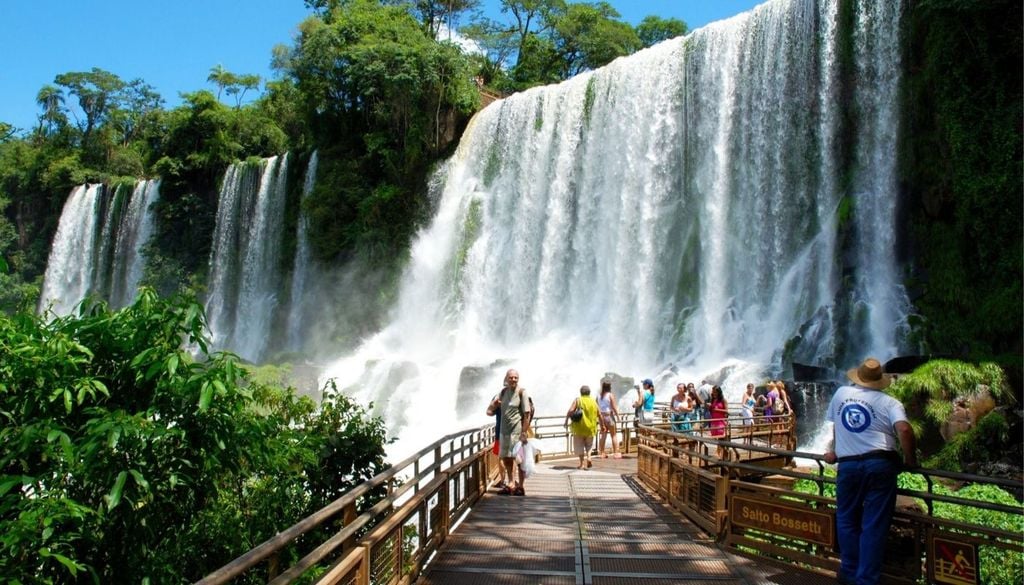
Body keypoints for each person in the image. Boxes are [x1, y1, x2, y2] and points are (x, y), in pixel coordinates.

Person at [823, 358, 917, 585]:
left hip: (848, 466)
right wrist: (910, 460)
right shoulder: (890, 402)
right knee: (873, 524)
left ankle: (848, 572)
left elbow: (837, 424)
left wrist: (835, 450)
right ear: (879, 381)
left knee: (846, 519)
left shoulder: (841, 394)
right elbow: (904, 429)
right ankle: (866, 579)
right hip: (879, 464)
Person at [486, 369, 532, 496]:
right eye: (511, 377)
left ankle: (521, 486)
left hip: (516, 432)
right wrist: (494, 404)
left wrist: (524, 432)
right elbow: (489, 412)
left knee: (519, 459)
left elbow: (527, 415)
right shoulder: (503, 392)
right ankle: (511, 483)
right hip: (503, 432)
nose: (513, 380)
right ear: (506, 378)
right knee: (506, 458)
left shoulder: (522, 393)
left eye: (515, 377)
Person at [565, 385, 599, 469]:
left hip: (579, 428)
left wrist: (566, 420)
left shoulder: (578, 400)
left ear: (581, 392)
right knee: (589, 445)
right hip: (590, 428)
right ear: (589, 392)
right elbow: (600, 414)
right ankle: (589, 457)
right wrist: (602, 425)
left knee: (579, 446)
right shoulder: (593, 401)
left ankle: (581, 464)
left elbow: (570, 410)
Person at [597, 380, 621, 458]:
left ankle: (602, 453)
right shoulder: (610, 395)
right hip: (609, 416)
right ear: (609, 387)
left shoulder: (598, 396)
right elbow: (613, 407)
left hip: (602, 417)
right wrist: (617, 416)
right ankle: (616, 453)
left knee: (603, 435)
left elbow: (596, 407)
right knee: (613, 435)